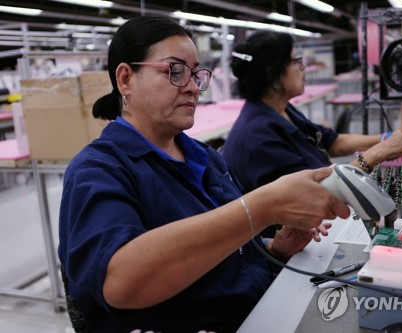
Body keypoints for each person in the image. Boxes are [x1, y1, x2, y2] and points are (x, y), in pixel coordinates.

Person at [57, 16, 350, 333]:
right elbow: (119, 282)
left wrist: (275, 250)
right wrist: (263, 207)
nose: (193, 87)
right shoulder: (98, 170)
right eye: (176, 71)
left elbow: (227, 255)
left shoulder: (205, 157)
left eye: (196, 74)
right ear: (126, 79)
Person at [222, 30, 402, 229]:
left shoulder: (281, 110)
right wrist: (378, 153)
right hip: (298, 232)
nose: (303, 67)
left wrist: (390, 137)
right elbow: (315, 193)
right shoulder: (259, 136)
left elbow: (333, 142)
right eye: (296, 61)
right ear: (274, 76)